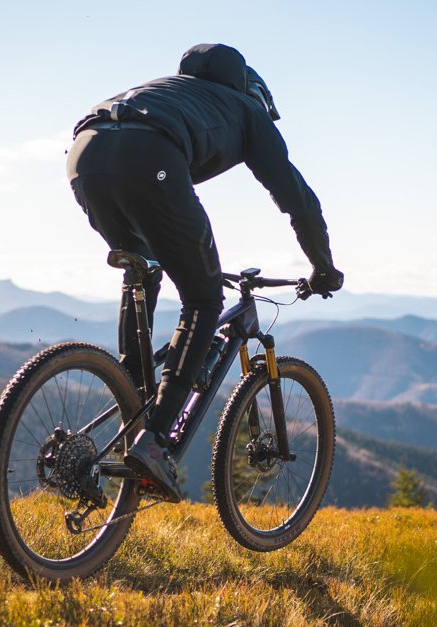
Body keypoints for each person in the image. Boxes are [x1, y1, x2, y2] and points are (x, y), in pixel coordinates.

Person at [66, 43, 343, 502]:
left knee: (143, 269)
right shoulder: (247, 109)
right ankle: (153, 441)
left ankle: (133, 396)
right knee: (204, 298)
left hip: (85, 154)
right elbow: (296, 198)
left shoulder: (171, 92)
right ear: (249, 88)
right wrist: (323, 267)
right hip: (149, 155)